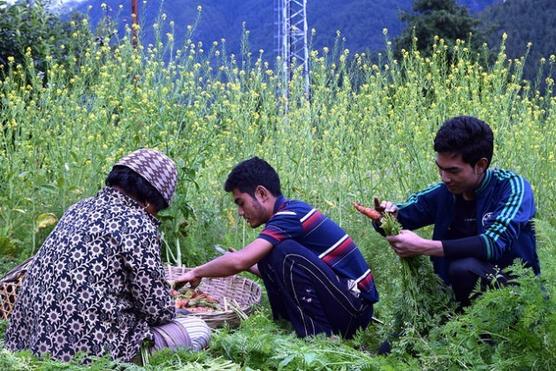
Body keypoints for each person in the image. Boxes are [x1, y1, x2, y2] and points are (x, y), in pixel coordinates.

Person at [4, 148, 211, 363]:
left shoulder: (78, 208)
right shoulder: (138, 223)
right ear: (151, 202)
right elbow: (156, 310)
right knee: (198, 329)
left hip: (33, 344)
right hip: (88, 353)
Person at [174, 157, 378, 339]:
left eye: (241, 203)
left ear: (261, 193)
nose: (239, 212)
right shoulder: (284, 218)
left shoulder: (291, 215)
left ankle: (318, 338)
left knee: (283, 252)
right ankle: (288, 326)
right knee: (269, 254)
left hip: (354, 309)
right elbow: (291, 274)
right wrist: (249, 266)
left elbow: (240, 260)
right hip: (342, 301)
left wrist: (196, 272)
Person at [375, 116, 540, 307]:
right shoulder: (444, 192)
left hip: (515, 297)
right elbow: (402, 214)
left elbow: (493, 243)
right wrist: (385, 216)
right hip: (451, 301)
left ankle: (488, 336)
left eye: (453, 171)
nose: (445, 178)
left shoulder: (512, 188)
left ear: (480, 165)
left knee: (464, 268)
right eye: (440, 169)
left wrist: (423, 246)